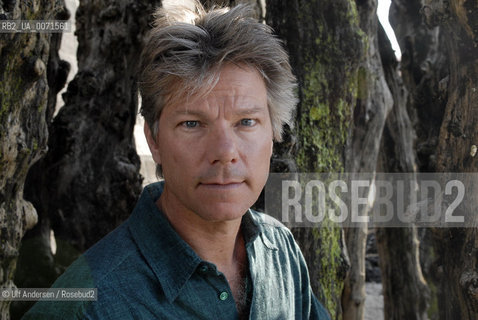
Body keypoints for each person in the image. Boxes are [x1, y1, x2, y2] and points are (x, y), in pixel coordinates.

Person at [23, 1, 330, 319]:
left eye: (246, 122)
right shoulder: (87, 308)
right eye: (192, 124)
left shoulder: (280, 251)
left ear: (275, 134)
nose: (225, 152)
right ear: (154, 140)